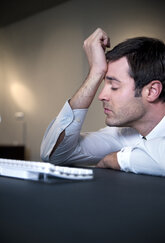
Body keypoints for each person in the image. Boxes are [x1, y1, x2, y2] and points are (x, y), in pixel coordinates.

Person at [40, 28, 165, 176]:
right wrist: (95, 73)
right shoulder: (124, 135)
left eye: (114, 86)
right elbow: (54, 154)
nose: (101, 96)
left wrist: (117, 159)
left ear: (151, 91)